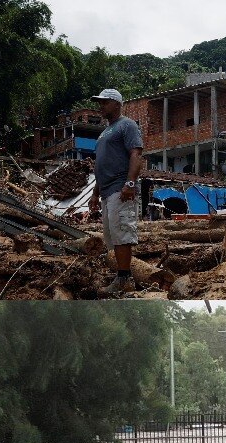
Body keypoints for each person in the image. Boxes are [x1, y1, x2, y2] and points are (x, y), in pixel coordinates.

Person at [88, 88, 144, 295]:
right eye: (99, 102)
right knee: (113, 235)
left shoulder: (127, 125)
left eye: (104, 102)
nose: (100, 106)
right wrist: (94, 193)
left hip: (120, 188)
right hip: (106, 190)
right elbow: (100, 165)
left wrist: (130, 184)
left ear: (117, 104)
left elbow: (136, 154)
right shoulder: (104, 132)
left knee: (122, 233)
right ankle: (121, 276)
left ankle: (124, 280)